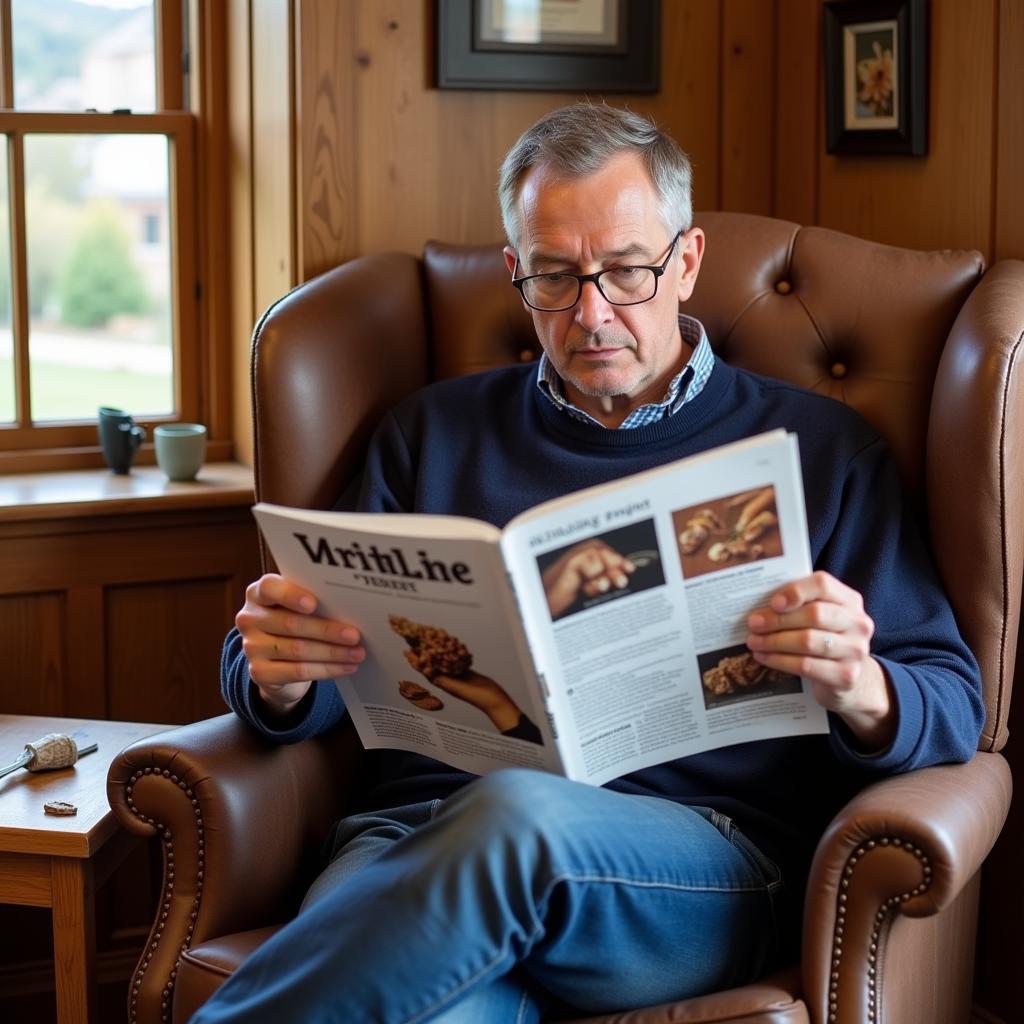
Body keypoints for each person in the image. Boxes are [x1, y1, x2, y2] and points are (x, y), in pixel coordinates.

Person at [198, 103, 985, 1023]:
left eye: (626, 271)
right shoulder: (431, 435)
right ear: (514, 274)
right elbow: (312, 657)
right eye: (556, 279)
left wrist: (861, 685)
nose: (593, 313)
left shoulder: (820, 452)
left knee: (519, 820)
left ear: (686, 262)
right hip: (410, 839)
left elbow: (955, 702)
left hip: (692, 867)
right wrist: (282, 676)